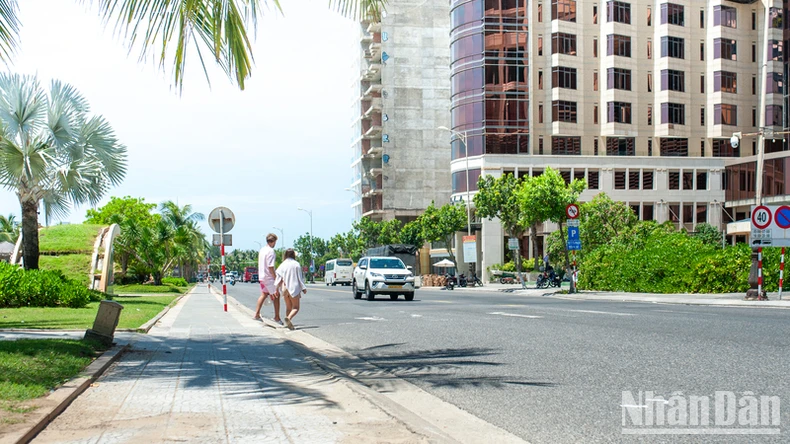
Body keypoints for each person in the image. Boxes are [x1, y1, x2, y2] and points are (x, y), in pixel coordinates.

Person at [274, 248, 307, 330]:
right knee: (296, 307)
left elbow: (278, 276)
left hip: (285, 288)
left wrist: (276, 287)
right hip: (294, 287)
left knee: (288, 307)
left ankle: (287, 322)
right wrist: (303, 288)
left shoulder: (283, 264)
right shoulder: (296, 264)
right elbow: (300, 278)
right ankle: (288, 318)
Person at [253, 233, 281, 324]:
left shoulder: (262, 250)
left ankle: (257, 314)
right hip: (269, 277)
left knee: (264, 294)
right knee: (276, 296)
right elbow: (270, 266)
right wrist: (275, 277)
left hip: (262, 276)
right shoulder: (271, 251)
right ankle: (277, 317)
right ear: (274, 241)